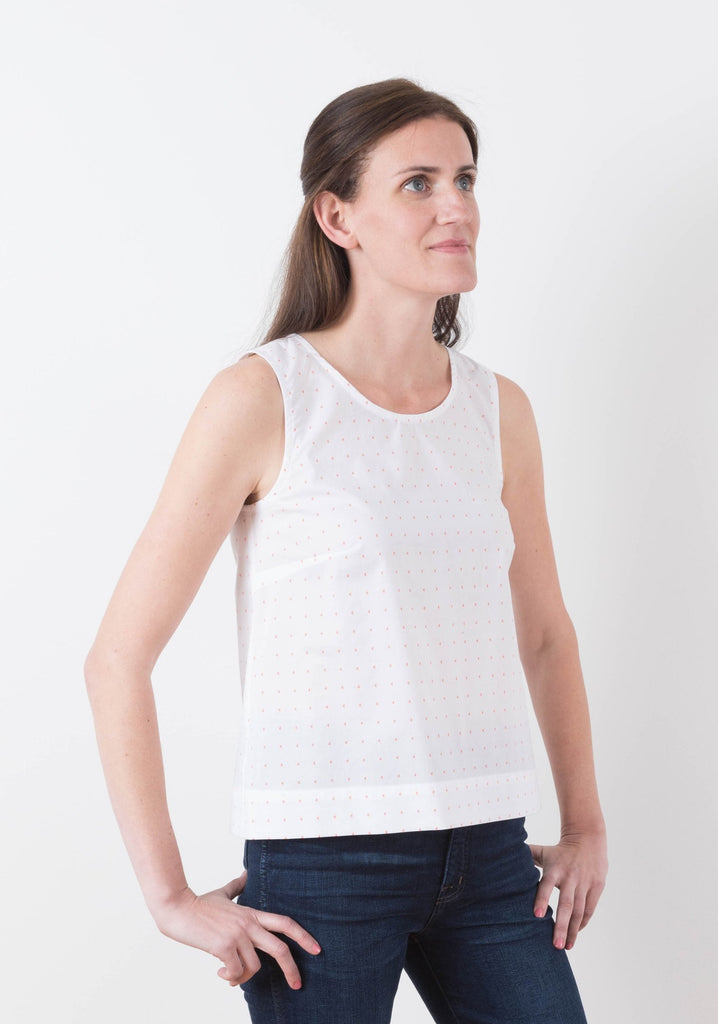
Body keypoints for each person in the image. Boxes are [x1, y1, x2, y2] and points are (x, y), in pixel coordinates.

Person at [85, 78, 608, 1023]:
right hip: (323, 867)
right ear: (338, 216)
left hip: (493, 855)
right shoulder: (264, 397)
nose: (457, 207)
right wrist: (168, 897)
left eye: (465, 179)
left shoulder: (499, 411)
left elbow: (544, 634)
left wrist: (586, 826)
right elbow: (117, 657)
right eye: (418, 183)